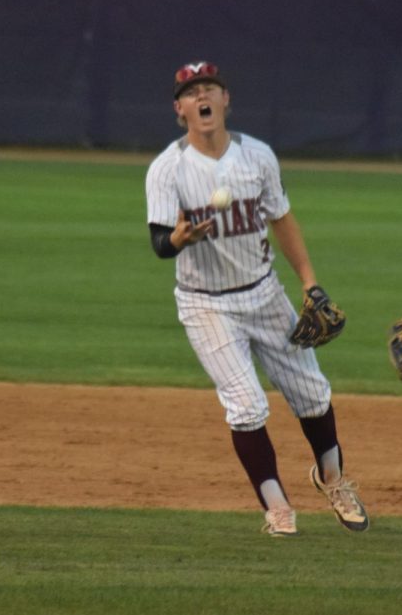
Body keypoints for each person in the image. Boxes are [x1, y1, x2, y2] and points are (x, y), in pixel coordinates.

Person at [144, 60, 369, 537]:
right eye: (192, 91)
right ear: (179, 109)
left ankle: (333, 480)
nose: (202, 96)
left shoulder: (258, 156)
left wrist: (310, 283)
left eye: (211, 88)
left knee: (312, 394)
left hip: (265, 295)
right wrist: (180, 239)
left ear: (226, 100)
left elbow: (284, 220)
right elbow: (160, 243)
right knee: (246, 406)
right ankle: (277, 508)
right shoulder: (167, 169)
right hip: (206, 304)